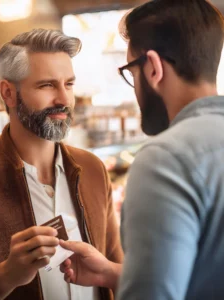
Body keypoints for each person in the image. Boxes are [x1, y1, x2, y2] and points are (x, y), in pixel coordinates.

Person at [0, 29, 123, 300]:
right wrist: (7, 274)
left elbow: (116, 263)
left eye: (69, 84)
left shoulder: (92, 168)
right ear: (8, 93)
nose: (64, 100)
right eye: (47, 85)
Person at [59, 1, 224, 299]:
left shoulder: (166, 158)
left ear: (152, 68)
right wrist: (114, 273)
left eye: (131, 75)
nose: (134, 89)